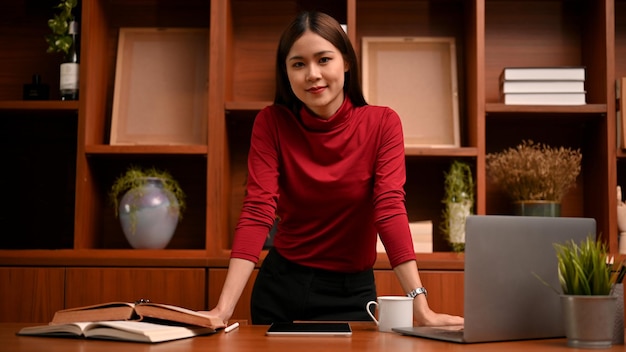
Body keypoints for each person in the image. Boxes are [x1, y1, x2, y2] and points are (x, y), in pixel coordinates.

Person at [204, 10, 464, 327]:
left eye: (324, 59)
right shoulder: (271, 123)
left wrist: (421, 307)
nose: (312, 74)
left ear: (347, 62)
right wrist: (222, 310)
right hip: (280, 288)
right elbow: (258, 210)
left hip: (352, 294)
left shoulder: (382, 123)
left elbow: (389, 209)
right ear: (285, 72)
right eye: (298, 64)